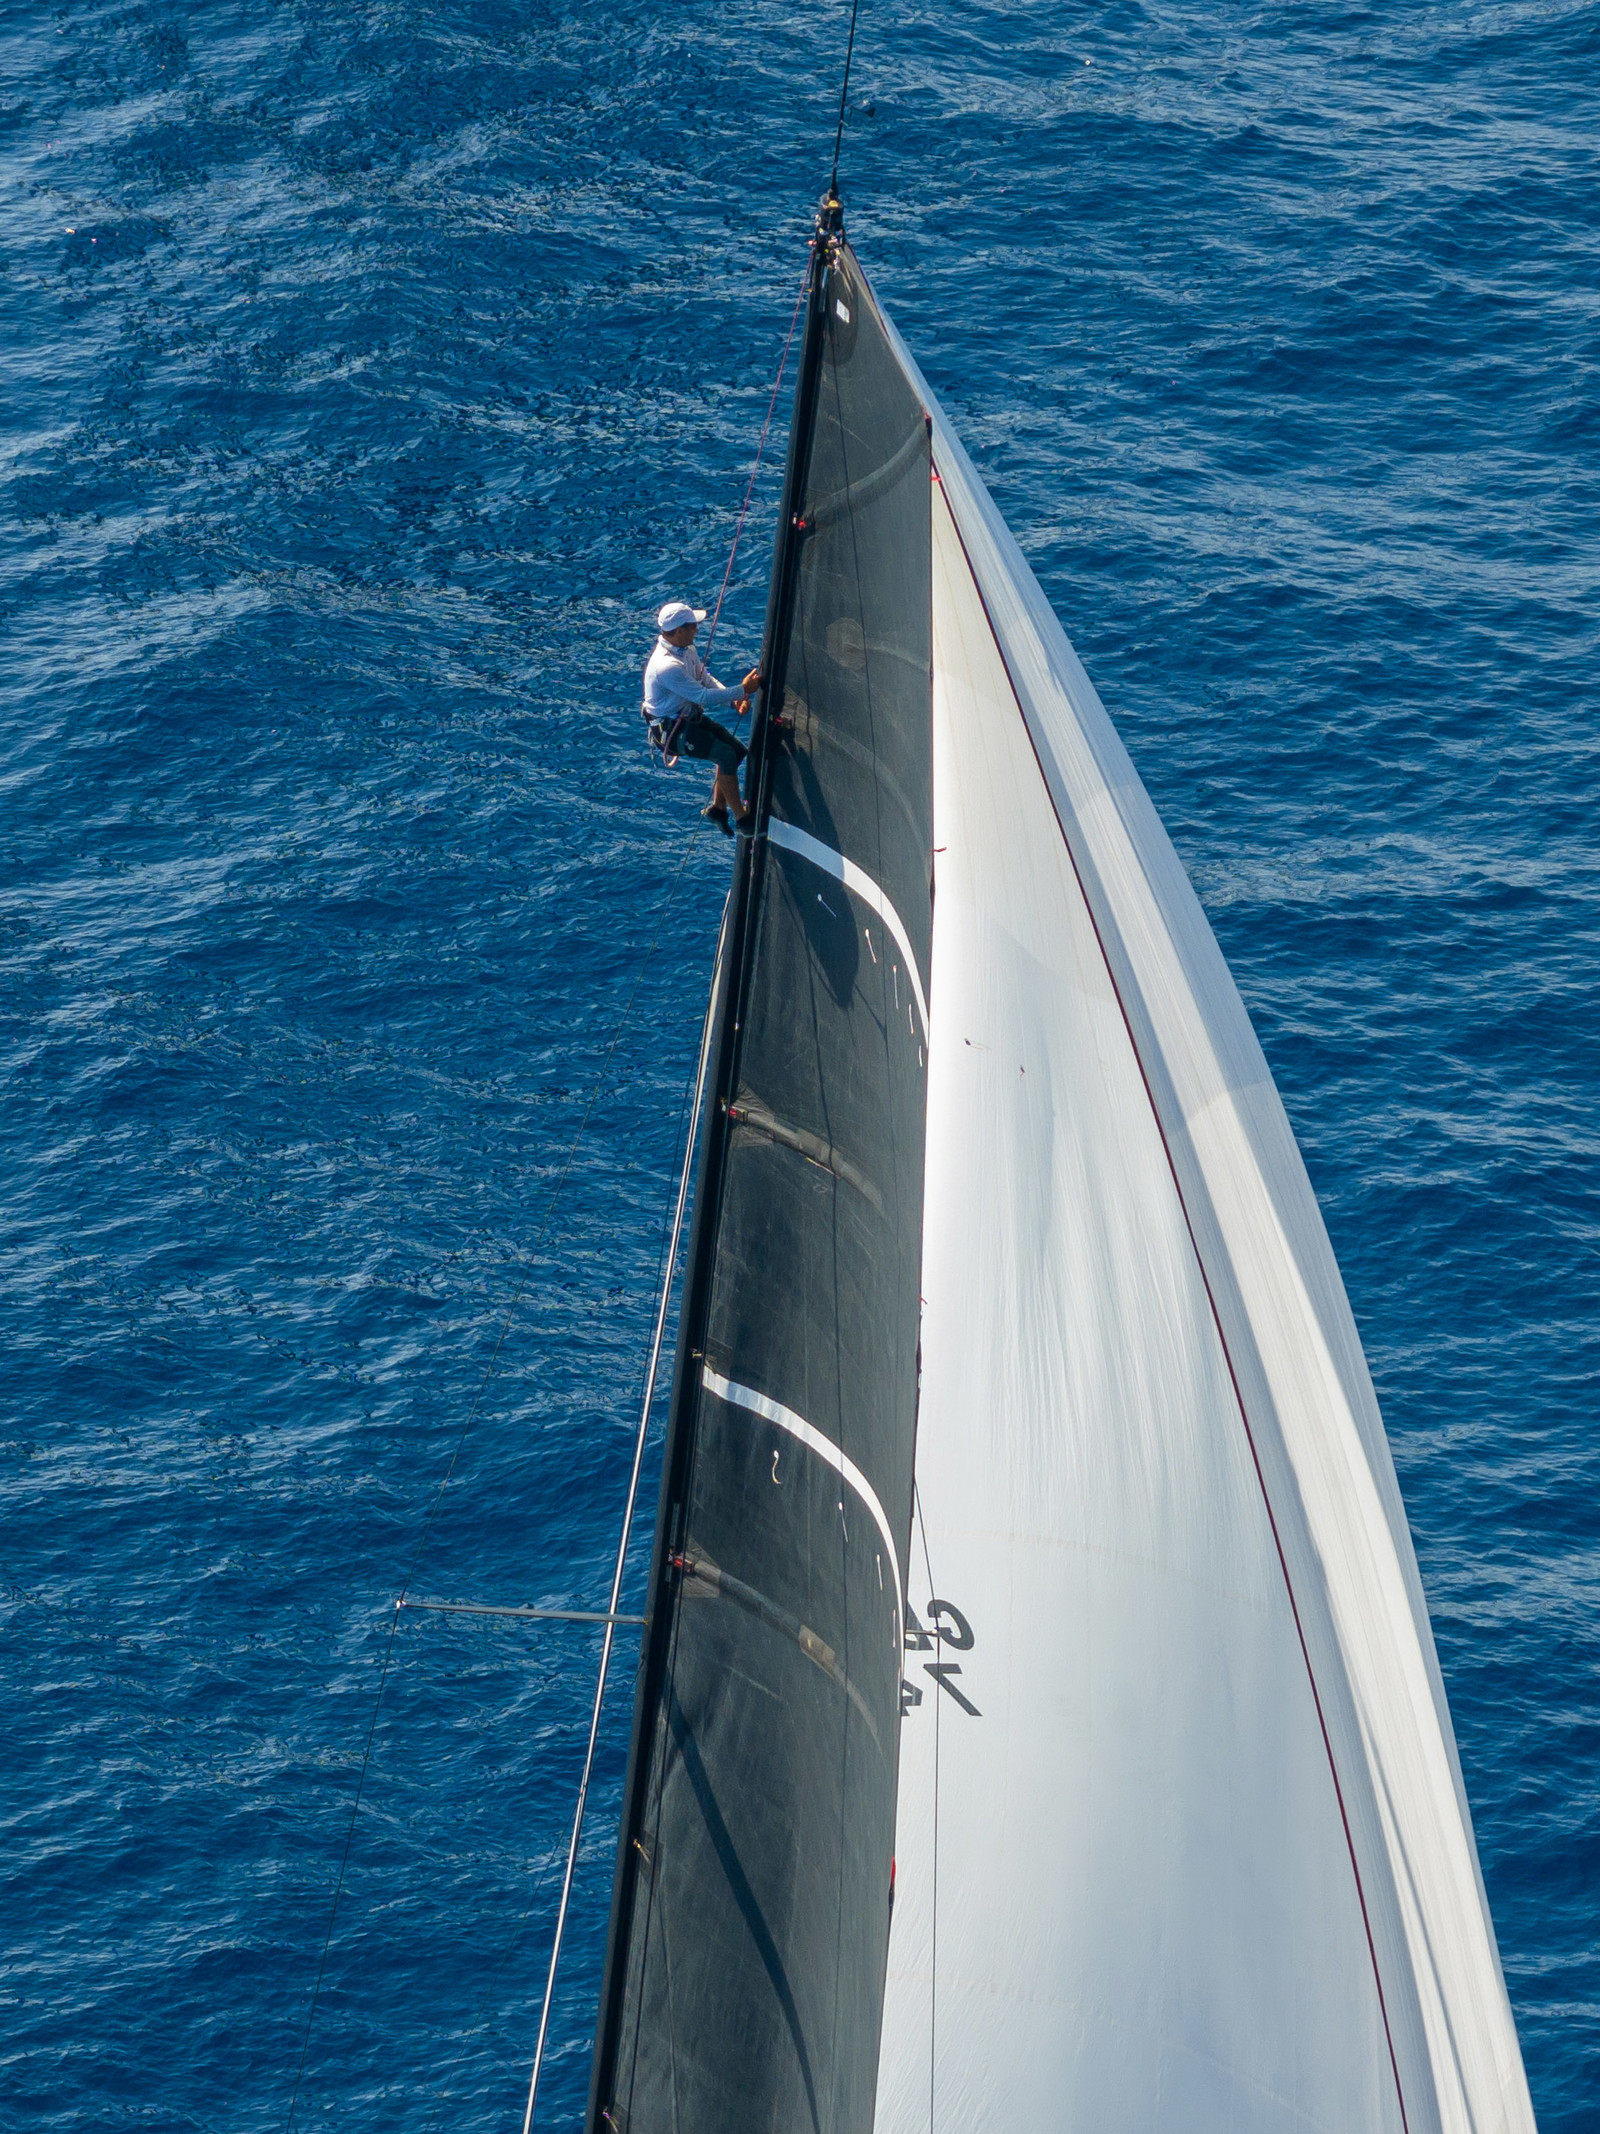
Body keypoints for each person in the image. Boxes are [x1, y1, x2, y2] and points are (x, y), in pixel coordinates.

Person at [643, 601, 762, 835]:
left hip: (688, 718)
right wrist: (743, 689)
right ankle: (742, 820)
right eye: (692, 626)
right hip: (672, 731)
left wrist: (733, 700)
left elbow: (703, 677)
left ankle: (718, 809)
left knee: (737, 752)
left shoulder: (687, 650)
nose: (697, 630)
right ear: (679, 631)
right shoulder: (666, 666)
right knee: (725, 755)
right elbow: (703, 696)